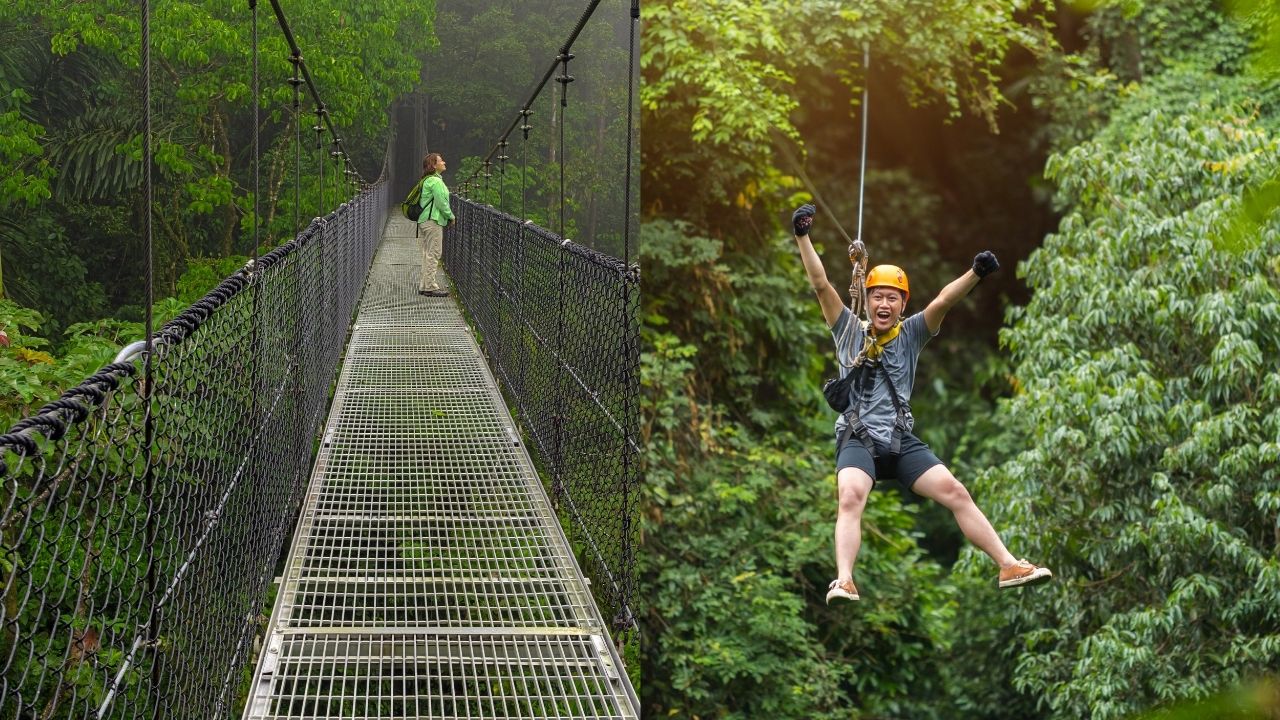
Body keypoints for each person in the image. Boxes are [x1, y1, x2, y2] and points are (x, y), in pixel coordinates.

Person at [791, 203, 1052, 604]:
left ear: (902, 303)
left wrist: (976, 274)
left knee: (956, 492)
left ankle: (1007, 564)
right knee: (850, 497)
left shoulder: (912, 333)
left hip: (898, 441)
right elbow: (820, 283)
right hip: (857, 438)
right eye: (876, 296)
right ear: (866, 295)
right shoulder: (846, 328)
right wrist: (803, 236)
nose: (882, 304)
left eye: (892, 298)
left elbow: (943, 301)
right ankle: (844, 579)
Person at [417, 152, 456, 297]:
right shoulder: (436, 181)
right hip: (432, 221)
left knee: (428, 253)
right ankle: (430, 287)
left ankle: (424, 285)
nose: (444, 162)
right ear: (434, 165)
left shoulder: (428, 180)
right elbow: (441, 202)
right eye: (441, 161)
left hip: (425, 221)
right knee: (434, 253)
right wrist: (451, 216)